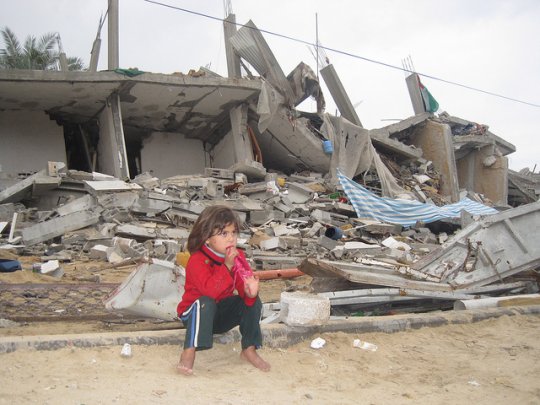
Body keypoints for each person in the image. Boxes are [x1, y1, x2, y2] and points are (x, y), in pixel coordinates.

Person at [176, 205, 270, 375]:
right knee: (206, 302)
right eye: (224, 234)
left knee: (254, 301)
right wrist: (227, 266)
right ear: (207, 238)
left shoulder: (237, 257)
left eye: (233, 233)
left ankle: (249, 348)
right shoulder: (197, 260)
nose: (231, 239)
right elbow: (210, 292)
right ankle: (189, 351)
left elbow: (243, 285)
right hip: (195, 315)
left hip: (219, 316)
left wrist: (250, 292)